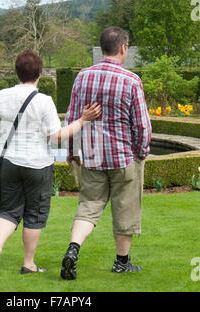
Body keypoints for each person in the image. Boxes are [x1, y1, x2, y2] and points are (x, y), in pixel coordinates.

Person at [0, 50, 101, 277]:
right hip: (38, 165)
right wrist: (82, 120)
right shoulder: (44, 101)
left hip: (9, 162)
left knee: (9, 210)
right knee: (35, 214)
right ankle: (29, 264)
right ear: (39, 73)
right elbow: (56, 137)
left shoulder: (0, 97)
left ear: (16, 72)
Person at [60, 27, 152, 280]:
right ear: (123, 48)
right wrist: (141, 153)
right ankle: (122, 262)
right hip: (123, 158)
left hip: (92, 157)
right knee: (125, 208)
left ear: (102, 48)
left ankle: (73, 249)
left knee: (88, 207)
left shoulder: (82, 77)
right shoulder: (131, 80)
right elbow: (142, 125)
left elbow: (72, 117)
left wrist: (72, 152)